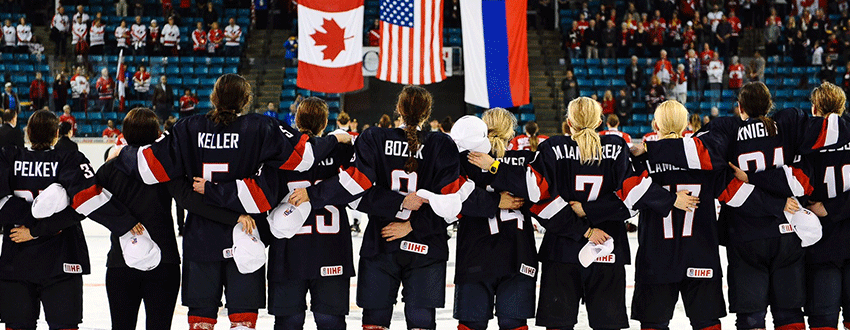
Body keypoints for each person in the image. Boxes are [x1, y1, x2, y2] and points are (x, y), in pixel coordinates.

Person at [109, 74, 350, 330]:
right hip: (247, 236)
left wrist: (120, 153)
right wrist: (336, 138)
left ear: (213, 97)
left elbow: (148, 166)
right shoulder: (261, 127)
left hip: (201, 239)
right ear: (246, 100)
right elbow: (304, 156)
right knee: (243, 322)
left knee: (201, 320)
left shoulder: (188, 127)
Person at [638, 82, 850, 330]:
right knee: (789, 315)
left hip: (744, 236)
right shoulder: (789, 122)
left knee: (752, 318)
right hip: (787, 234)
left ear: (739, 107)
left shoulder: (726, 129)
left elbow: (723, 184)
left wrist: (650, 149)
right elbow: (802, 181)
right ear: (770, 104)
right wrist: (780, 203)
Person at [468, 97, 687, 330]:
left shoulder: (551, 147)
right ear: (599, 121)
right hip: (608, 248)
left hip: (562, 251)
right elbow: (633, 197)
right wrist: (670, 199)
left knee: (558, 326)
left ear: (568, 122)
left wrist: (494, 166)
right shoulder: (616, 146)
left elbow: (537, 195)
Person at [291, 85, 466, 330]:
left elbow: (356, 190)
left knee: (374, 323)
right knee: (422, 322)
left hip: (381, 242)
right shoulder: (443, 145)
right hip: (428, 245)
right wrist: (413, 224)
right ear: (427, 113)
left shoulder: (374, 137)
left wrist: (313, 194)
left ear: (398, 109)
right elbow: (452, 206)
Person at [626, 100, 792, 330]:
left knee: (653, 324)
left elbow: (628, 202)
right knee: (707, 324)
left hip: (656, 258)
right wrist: (778, 204)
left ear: (655, 124)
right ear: (686, 125)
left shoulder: (641, 159)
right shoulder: (705, 160)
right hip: (701, 255)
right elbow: (737, 195)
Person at [200, 98, 357, 330]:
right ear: (325, 123)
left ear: (295, 121)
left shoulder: (279, 155)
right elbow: (359, 190)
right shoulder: (342, 151)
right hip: (331, 250)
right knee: (330, 321)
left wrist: (211, 190)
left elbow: (256, 197)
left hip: (288, 253)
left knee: (288, 323)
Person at [0, 110, 140, 330]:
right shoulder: (68, 159)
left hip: (16, 261)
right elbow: (89, 201)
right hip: (62, 260)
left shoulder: (7, 157)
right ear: (57, 134)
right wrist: (126, 223)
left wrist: (27, 218)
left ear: (28, 133)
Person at [98, 108, 252, 330]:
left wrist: (122, 222)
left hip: (120, 263)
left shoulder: (110, 169)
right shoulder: (165, 168)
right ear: (156, 133)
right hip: (164, 262)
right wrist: (234, 216)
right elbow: (192, 202)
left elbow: (85, 203)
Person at [448, 109, 536, 330]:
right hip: (518, 253)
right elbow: (539, 192)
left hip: (475, 253)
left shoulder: (464, 160)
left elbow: (451, 199)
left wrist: (490, 198)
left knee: (471, 325)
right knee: (513, 324)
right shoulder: (526, 160)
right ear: (511, 132)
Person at [799, 83, 850, 330]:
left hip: (821, 242)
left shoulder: (804, 136)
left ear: (814, 108)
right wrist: (838, 206)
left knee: (823, 320)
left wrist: (827, 208)